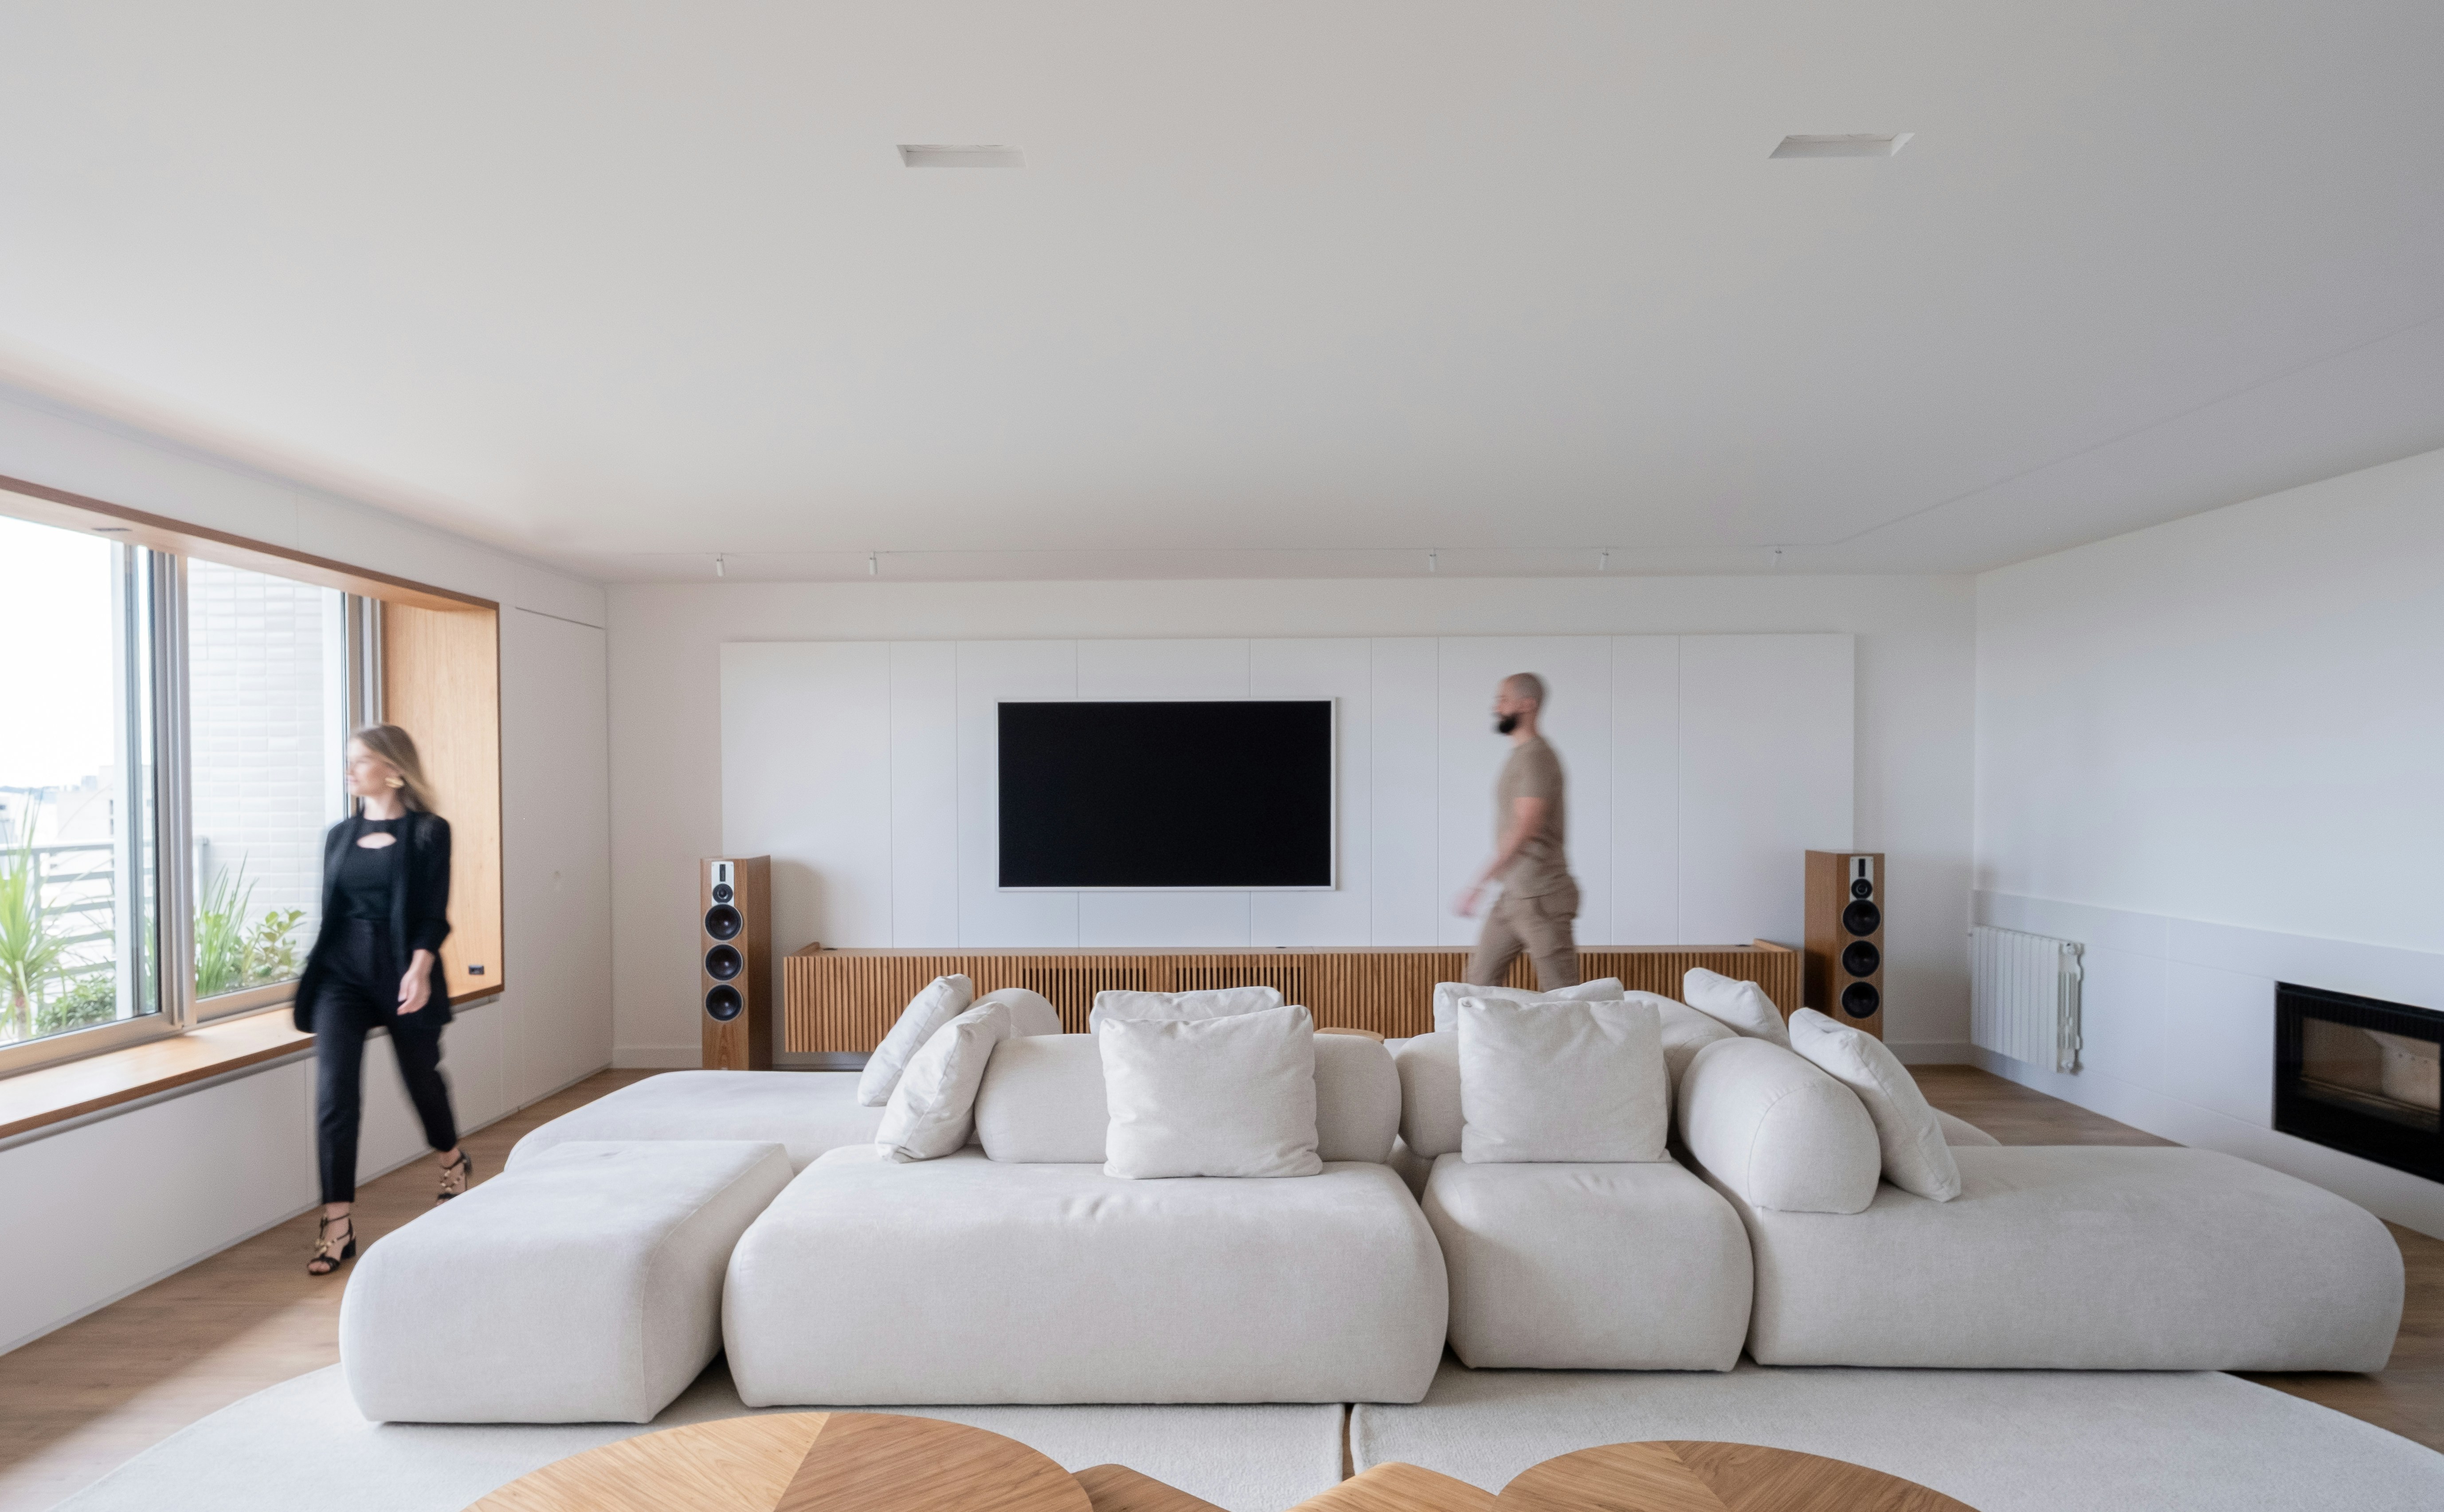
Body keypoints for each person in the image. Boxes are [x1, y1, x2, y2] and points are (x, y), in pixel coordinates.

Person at [297, 725, 466, 1275]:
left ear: (393, 768)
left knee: (421, 1079)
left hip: (400, 972)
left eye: (362, 760)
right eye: (349, 761)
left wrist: (419, 969)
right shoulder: (339, 836)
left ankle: (451, 1159)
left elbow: (432, 913)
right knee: (335, 1093)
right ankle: (337, 1221)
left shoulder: (428, 833)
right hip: (340, 979)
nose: (350, 770)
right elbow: (335, 913)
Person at [1453, 673, 1580, 990]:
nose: (1496, 707)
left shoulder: (1537, 757)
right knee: (1478, 985)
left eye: (1503, 700)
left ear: (1527, 704)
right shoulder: (1521, 757)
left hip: (1542, 896)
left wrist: (1477, 883)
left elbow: (1524, 828)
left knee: (1565, 995)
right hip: (1513, 896)